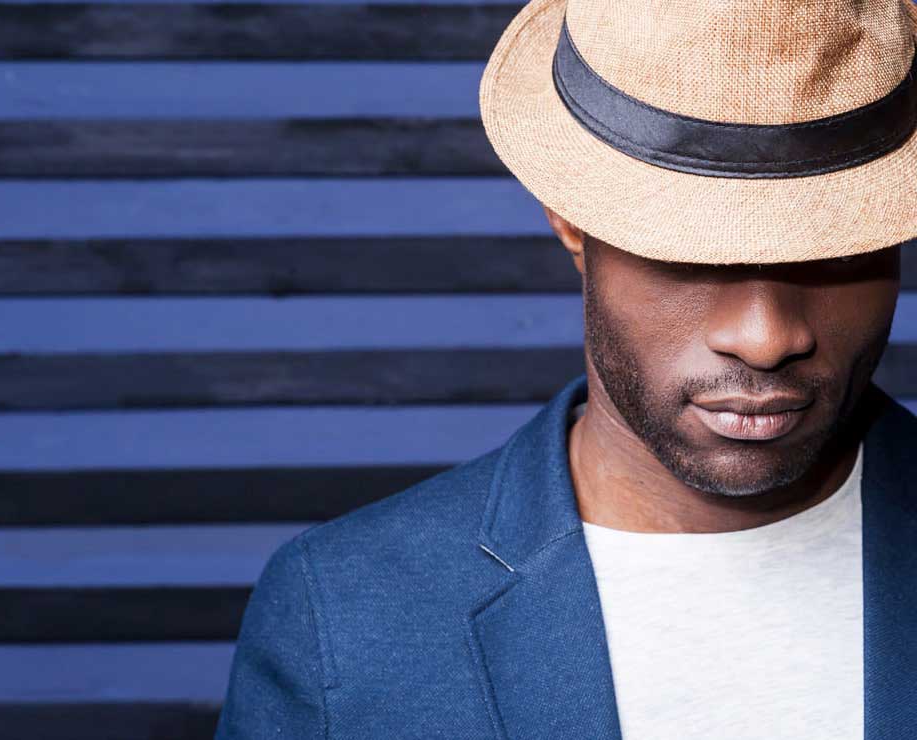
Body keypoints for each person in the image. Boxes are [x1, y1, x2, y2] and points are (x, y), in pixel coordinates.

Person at [215, 0, 917, 736]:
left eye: (841, 250)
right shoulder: (339, 615)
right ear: (570, 217)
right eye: (689, 251)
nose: (765, 338)